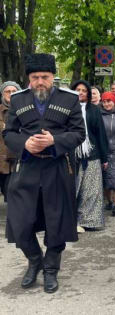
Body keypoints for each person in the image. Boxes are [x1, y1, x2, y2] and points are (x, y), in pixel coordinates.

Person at [3, 53, 85, 293]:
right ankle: (35, 260)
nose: (40, 82)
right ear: (28, 78)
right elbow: (9, 133)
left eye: (45, 77)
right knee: (20, 222)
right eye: (35, 77)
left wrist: (54, 140)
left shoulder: (68, 99)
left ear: (53, 76)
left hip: (57, 168)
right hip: (26, 168)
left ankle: (51, 269)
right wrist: (25, 144)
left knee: (57, 223)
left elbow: (79, 133)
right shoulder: (18, 100)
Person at [70, 80, 109, 233]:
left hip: (92, 154)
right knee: (72, 188)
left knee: (91, 190)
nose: (80, 92)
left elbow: (101, 134)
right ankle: (71, 221)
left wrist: (104, 157)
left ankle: (88, 221)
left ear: (88, 93)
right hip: (71, 154)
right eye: (78, 90)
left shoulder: (94, 110)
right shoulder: (67, 109)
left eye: (84, 90)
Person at [0, 81, 21, 201]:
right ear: (2, 94)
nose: (11, 94)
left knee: (11, 193)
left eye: (14, 91)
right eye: (8, 91)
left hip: (16, 160)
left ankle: (14, 218)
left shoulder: (24, 111)